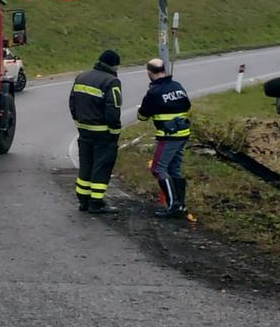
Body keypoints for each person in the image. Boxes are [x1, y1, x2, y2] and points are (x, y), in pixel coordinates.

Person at [70, 49, 124, 214]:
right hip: (103, 133)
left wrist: (78, 121)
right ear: (114, 65)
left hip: (84, 130)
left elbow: (72, 102)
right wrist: (115, 130)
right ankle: (96, 202)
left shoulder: (81, 77)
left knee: (85, 164)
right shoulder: (112, 82)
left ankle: (83, 201)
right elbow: (113, 109)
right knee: (102, 165)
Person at [137, 57, 192, 219]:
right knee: (174, 169)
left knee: (158, 168)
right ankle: (180, 205)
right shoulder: (177, 86)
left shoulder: (154, 92)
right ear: (164, 70)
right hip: (183, 134)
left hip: (168, 136)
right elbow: (187, 105)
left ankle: (174, 204)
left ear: (149, 72)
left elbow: (142, 115)